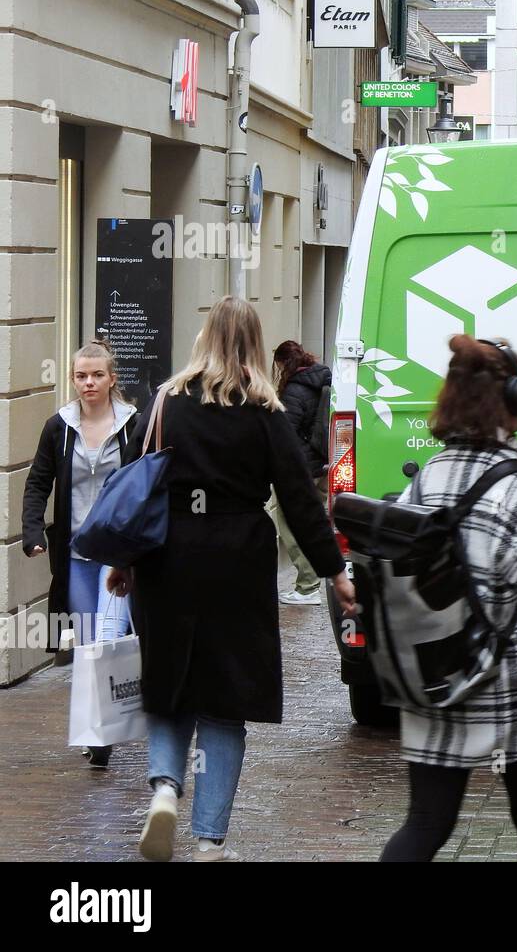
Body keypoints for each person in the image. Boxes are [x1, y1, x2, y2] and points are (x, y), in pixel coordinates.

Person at [106, 297, 355, 863]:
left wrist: (122, 561)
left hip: (165, 557)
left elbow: (133, 485)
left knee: (168, 684)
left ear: (205, 335)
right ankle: (211, 841)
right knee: (225, 698)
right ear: (253, 343)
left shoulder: (167, 400)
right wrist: (334, 571)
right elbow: (299, 499)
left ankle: (166, 786)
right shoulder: (264, 413)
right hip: (236, 562)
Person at [375, 335, 517, 863]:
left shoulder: (427, 479)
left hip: (436, 677)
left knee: (426, 823)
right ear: (516, 401)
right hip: (516, 691)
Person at [22, 340, 138, 768]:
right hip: (75, 554)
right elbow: (38, 482)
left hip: (117, 551)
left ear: (112, 379)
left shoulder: (132, 425)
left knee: (109, 637)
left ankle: (104, 730)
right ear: (73, 379)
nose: (89, 383)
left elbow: (145, 482)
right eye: (81, 376)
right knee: (88, 642)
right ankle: (100, 729)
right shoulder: (59, 426)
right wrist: (34, 531)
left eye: (97, 375)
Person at [270, 340, 332, 606]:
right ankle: (319, 578)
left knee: (287, 521)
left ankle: (308, 585)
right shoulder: (323, 378)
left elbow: (286, 433)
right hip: (323, 463)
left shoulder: (295, 389)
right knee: (315, 523)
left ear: (284, 363)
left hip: (302, 467)